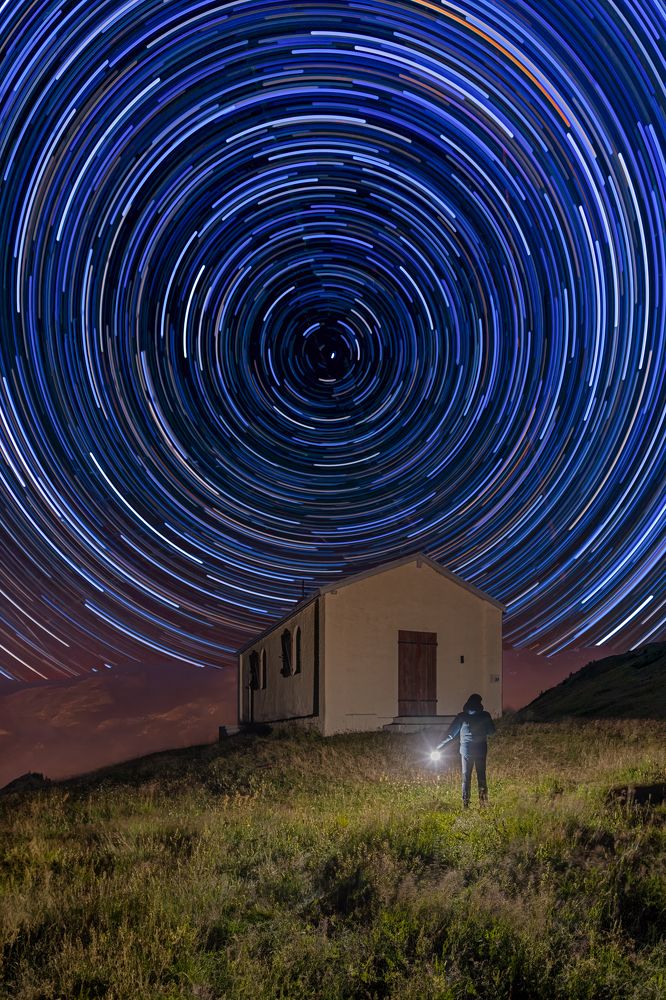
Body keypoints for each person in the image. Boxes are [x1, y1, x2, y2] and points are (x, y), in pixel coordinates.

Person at [435, 693, 495, 807]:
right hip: (481, 750)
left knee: (466, 777)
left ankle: (465, 803)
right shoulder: (485, 715)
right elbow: (491, 731)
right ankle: (483, 802)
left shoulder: (461, 717)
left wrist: (438, 746)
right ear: (480, 703)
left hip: (466, 751)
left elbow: (450, 735)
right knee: (481, 776)